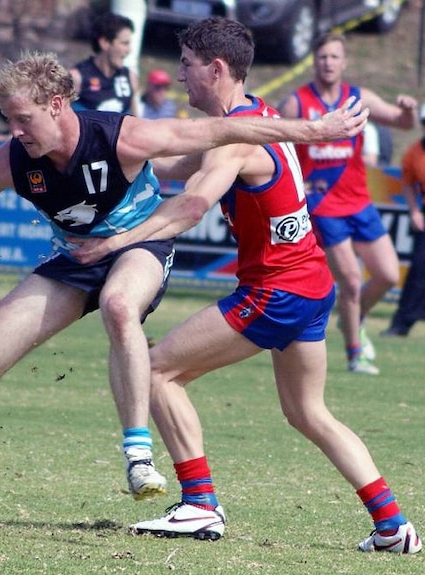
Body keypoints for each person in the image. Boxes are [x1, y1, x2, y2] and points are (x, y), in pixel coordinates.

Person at [0, 51, 367, 527]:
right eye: (8, 120)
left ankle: (138, 455)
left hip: (140, 246)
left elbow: (222, 128)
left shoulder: (119, 136)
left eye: (23, 118)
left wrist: (314, 131)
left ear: (57, 104)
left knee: (119, 303)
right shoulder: (14, 158)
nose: (15, 131)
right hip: (77, 259)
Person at [68, 17, 419, 553]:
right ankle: (394, 526)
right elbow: (175, 164)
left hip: (275, 292)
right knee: (308, 412)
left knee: (158, 370)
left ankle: (200, 505)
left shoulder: (234, 141)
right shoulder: (253, 119)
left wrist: (114, 244)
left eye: (186, 65)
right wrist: (94, 152)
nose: (180, 76)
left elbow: (192, 204)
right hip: (309, 283)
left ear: (215, 68)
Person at [278, 32, 418, 375]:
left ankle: (352, 319)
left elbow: (401, 123)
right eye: (322, 56)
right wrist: (299, 184)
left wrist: (408, 110)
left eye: (334, 57)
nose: (328, 62)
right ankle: (356, 353)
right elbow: (276, 145)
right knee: (352, 280)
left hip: (359, 202)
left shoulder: (357, 97)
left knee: (387, 274)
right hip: (322, 204)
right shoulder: (297, 103)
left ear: (345, 62)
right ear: (315, 61)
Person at [381, 104, 425, 337]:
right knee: (419, 271)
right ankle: (402, 324)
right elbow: (408, 184)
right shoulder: (414, 153)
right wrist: (415, 211)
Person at [70, 11, 139, 115]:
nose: (129, 50)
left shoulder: (130, 77)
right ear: (105, 42)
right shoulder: (77, 78)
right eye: (124, 43)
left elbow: (137, 122)